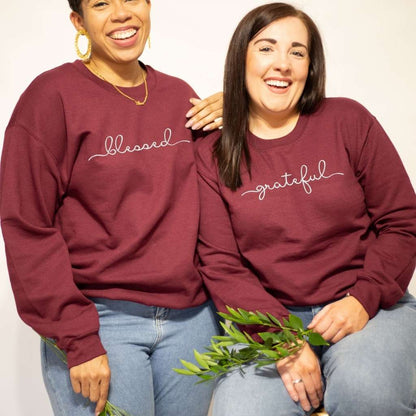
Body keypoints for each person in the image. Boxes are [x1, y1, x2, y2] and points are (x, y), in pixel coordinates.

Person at [0, 1, 223, 415]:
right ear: (78, 21)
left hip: (191, 324)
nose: (121, 13)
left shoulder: (180, 96)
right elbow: (27, 225)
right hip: (101, 322)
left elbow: (227, 200)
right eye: (101, 3)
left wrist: (244, 113)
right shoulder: (51, 98)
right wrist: (77, 338)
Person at [195, 3, 416, 416]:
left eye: (297, 52)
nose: (282, 64)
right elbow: (221, 265)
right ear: (241, 56)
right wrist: (280, 338)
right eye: (266, 48)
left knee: (366, 394)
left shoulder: (348, 121)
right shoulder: (211, 154)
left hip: (367, 306)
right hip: (271, 321)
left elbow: (403, 223)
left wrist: (362, 299)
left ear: (310, 67)